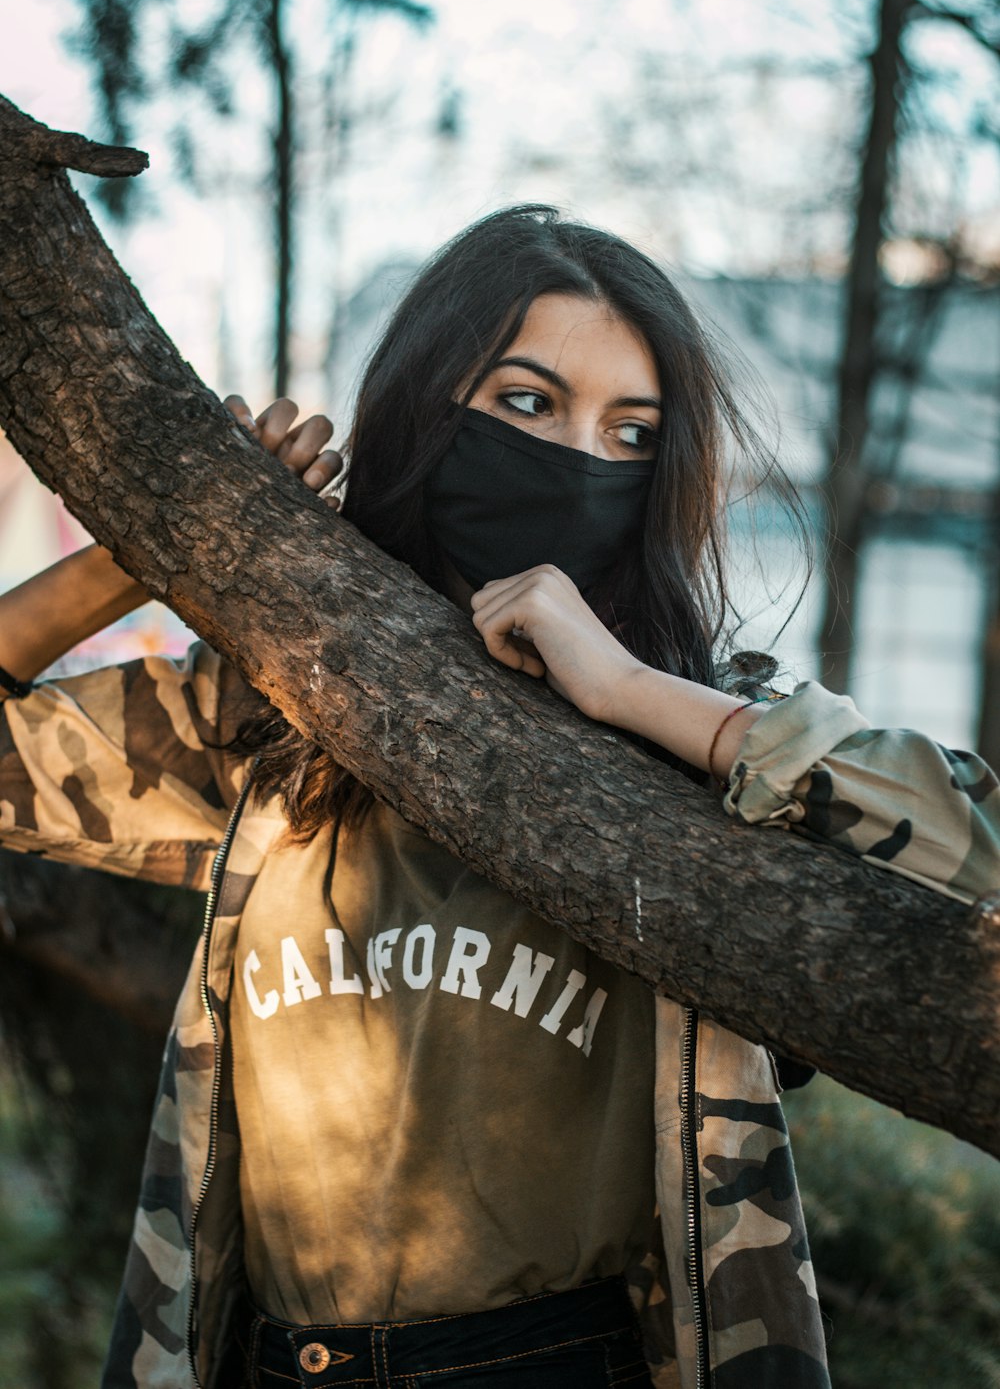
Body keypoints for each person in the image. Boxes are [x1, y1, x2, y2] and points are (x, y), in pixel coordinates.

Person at [0, 205, 996, 1389]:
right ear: (430, 411)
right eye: (528, 404)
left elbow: (971, 854)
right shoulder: (265, 718)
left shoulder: (711, 742)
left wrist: (629, 690)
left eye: (632, 433)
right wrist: (153, 537)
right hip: (271, 1360)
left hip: (554, 1362)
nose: (581, 458)